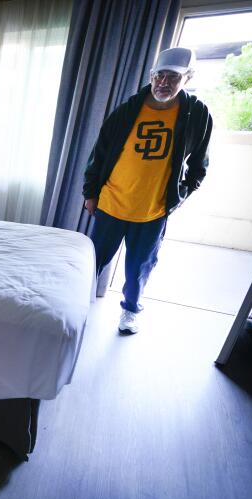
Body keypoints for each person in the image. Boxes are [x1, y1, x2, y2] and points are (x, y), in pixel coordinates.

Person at [83, 47, 212, 334]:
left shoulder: (197, 114)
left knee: (140, 266)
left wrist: (179, 197)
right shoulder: (129, 109)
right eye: (159, 75)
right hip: (112, 202)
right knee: (93, 259)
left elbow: (199, 164)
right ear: (151, 76)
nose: (164, 83)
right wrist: (91, 193)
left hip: (153, 209)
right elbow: (99, 155)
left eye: (173, 77)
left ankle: (130, 311)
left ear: (187, 78)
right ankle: (77, 304)